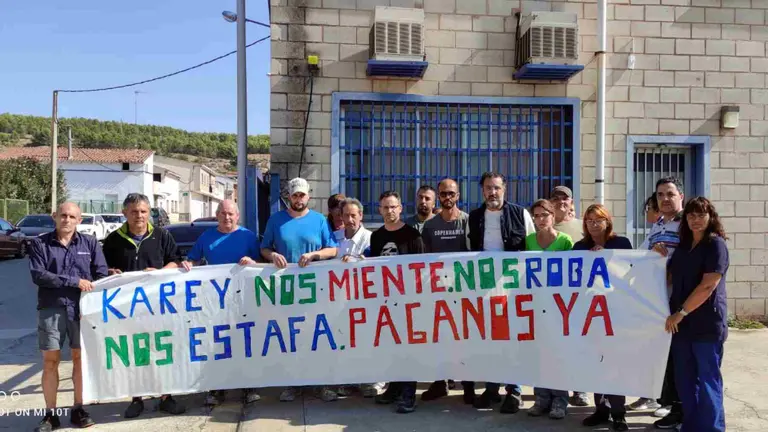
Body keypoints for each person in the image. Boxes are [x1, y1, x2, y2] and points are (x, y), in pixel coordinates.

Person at [101, 193, 186, 419]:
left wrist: (160, 272)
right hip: (127, 309)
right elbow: (101, 269)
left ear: (149, 213)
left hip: (158, 306)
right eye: (134, 211)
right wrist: (110, 273)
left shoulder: (161, 236)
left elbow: (176, 261)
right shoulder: (113, 240)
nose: (139, 215)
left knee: (161, 350)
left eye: (143, 211)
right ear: (125, 213)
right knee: (134, 351)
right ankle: (136, 398)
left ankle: (165, 397)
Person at [28, 202, 106, 432]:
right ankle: (50, 415)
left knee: (80, 360)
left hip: (81, 310)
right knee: (50, 361)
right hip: (51, 309)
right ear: (55, 217)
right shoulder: (40, 243)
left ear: (79, 220)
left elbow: (100, 273)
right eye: (63, 215)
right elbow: (39, 275)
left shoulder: (90, 243)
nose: (67, 220)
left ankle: (78, 409)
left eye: (72, 216)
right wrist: (74, 281)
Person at [260, 177, 338, 402]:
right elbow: (264, 248)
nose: (298, 199)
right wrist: (272, 254)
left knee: (318, 334)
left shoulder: (320, 220)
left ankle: (321, 383)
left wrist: (314, 255)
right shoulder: (276, 220)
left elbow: (332, 250)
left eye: (302, 195)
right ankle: (292, 384)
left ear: (308, 197)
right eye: (294, 195)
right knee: (290, 335)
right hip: (287, 288)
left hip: (315, 287)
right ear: (289, 197)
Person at [465, 172, 535, 413]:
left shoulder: (520, 213)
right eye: (487, 188)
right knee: (489, 338)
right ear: (482, 191)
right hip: (484, 286)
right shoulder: (474, 217)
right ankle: (492, 388)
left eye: (496, 188)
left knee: (512, 338)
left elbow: (531, 246)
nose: (492, 192)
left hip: (513, 286)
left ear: (504, 189)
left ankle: (514, 391)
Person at [180, 199, 261, 406]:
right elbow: (194, 259)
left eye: (231, 214)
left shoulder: (248, 237)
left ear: (238, 216)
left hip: (243, 300)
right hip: (215, 302)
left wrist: (253, 263)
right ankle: (217, 389)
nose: (227, 217)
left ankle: (248, 386)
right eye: (223, 213)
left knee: (244, 341)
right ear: (217, 215)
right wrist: (188, 264)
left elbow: (262, 264)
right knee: (217, 343)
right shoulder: (207, 237)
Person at [665, 197, 729, 432]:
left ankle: (712, 428)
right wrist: (655, 257)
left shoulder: (716, 245)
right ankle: (691, 426)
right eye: (691, 215)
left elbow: (707, 285)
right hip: (681, 325)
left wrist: (680, 313)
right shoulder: (683, 246)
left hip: (706, 324)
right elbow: (668, 277)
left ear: (710, 217)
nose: (695, 220)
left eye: (701, 215)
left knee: (707, 380)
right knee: (685, 380)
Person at [629, 177, 686, 429]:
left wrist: (668, 265)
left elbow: (689, 260)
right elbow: (644, 256)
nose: (665, 199)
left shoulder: (687, 224)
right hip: (657, 300)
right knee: (663, 354)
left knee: (679, 357)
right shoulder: (659, 224)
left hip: (678, 300)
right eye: (660, 194)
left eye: (670, 194)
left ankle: (679, 409)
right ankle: (668, 402)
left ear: (680, 196)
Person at [575, 204, 632, 431]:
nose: (593, 224)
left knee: (614, 363)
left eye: (598, 220)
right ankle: (600, 410)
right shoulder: (579, 247)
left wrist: (605, 258)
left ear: (608, 222)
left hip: (616, 312)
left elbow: (631, 271)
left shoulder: (621, 244)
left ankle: (619, 413)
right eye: (589, 220)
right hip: (591, 314)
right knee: (596, 362)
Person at [370, 191, 425, 414]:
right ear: (379, 210)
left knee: (408, 347)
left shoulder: (412, 235)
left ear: (401, 208)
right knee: (390, 345)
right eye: (386, 207)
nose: (390, 211)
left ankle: (408, 393)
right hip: (386, 300)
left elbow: (421, 269)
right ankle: (393, 387)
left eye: (394, 207)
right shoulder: (376, 237)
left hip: (408, 301)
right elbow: (372, 268)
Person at [419, 178, 469, 403]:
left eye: (451, 193)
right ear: (438, 196)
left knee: (466, 339)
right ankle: (440, 383)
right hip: (437, 291)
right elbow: (423, 259)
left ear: (458, 195)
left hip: (464, 291)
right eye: (443, 194)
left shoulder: (467, 221)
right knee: (438, 338)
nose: (447, 197)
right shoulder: (430, 226)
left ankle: (468, 386)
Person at [524, 199, 573, 420]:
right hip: (536, 303)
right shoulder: (529, 241)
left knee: (559, 354)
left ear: (553, 216)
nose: (541, 219)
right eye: (536, 216)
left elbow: (573, 271)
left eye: (545, 215)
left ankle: (560, 401)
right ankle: (541, 398)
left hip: (559, 305)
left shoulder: (565, 241)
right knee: (538, 354)